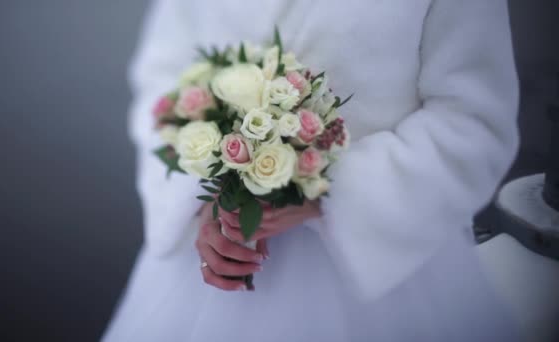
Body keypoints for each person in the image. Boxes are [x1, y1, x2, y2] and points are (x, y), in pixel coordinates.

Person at [103, 0, 521, 340]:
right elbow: (164, 80)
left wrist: (330, 192)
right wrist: (201, 199)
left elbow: (472, 119)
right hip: (204, 263)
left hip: (383, 271)